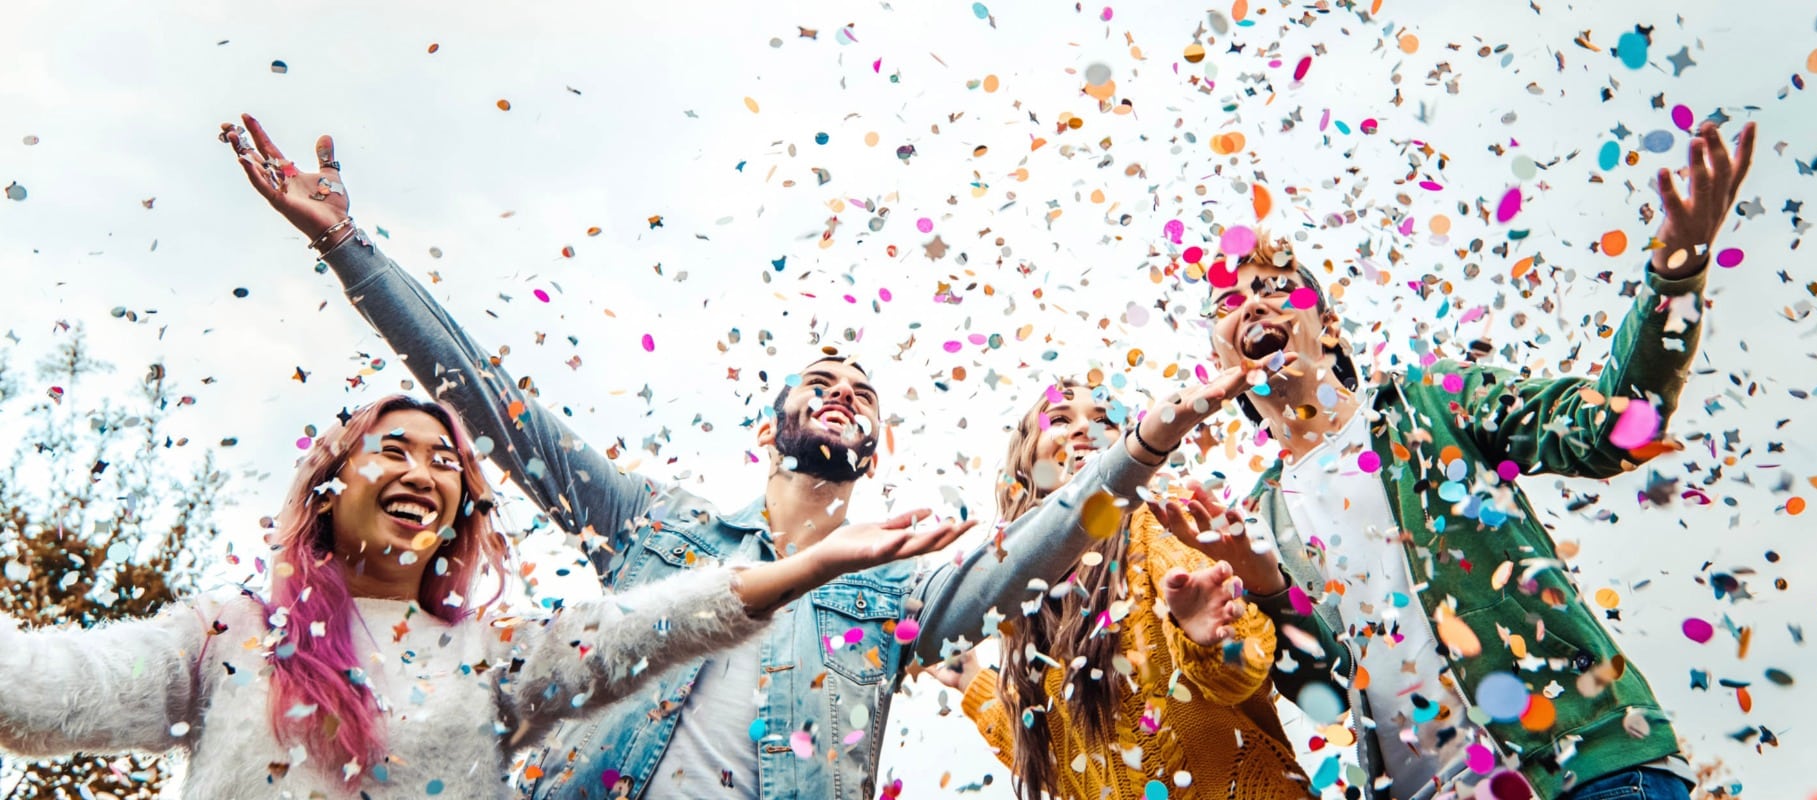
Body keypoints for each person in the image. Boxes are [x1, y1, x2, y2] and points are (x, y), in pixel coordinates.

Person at [217, 114, 1251, 800]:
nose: (843, 389)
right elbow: (498, 409)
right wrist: (350, 250)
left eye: (865, 393)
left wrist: (1146, 439)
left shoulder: (891, 593)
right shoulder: (649, 527)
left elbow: (1030, 550)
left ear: (877, 445)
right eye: (822, 378)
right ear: (774, 425)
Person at [0, 395, 967, 799]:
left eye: (446, 461)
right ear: (331, 483)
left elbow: (638, 629)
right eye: (393, 448)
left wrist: (806, 569)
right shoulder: (222, 636)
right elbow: (47, 688)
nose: (423, 471)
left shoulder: (492, 654)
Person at [1191, 122, 1759, 799]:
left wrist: (1675, 274)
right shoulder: (1261, 519)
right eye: (1229, 301)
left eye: (1278, 284)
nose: (1253, 300)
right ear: (1218, 361)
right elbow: (1324, 698)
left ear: (1330, 326)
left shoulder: (1434, 403)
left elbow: (1607, 429)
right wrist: (1265, 588)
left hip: (1585, 772)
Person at [933, 378, 1317, 799]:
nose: (1084, 429)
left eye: (1105, 421)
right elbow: (1064, 763)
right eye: (1060, 418)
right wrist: (970, 680)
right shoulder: (1028, 606)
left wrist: (1209, 636)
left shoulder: (1157, 519)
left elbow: (1242, 672)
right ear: (1026, 461)